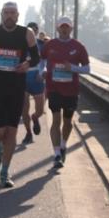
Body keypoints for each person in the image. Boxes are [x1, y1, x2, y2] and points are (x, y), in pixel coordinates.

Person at [0, 3, 40, 187]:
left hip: (16, 87)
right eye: (6, 12)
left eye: (13, 13)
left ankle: (5, 173)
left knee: (12, 131)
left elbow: (36, 57)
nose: (9, 16)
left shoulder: (26, 33)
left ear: (18, 15)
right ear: (2, 14)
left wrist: (27, 64)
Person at [41, 16, 90, 168]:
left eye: (67, 27)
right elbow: (41, 61)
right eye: (62, 27)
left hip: (71, 90)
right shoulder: (50, 45)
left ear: (71, 29)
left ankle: (63, 145)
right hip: (53, 88)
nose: (64, 29)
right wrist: (42, 70)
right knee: (56, 120)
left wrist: (73, 68)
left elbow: (87, 69)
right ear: (57, 28)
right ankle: (56, 154)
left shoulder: (79, 46)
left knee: (68, 122)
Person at [21, 22, 46, 145]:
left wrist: (41, 73)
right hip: (23, 78)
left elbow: (45, 61)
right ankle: (28, 133)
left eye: (35, 30)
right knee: (24, 109)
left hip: (37, 77)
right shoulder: (19, 44)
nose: (33, 32)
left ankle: (35, 117)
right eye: (30, 30)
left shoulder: (41, 44)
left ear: (37, 31)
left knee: (40, 110)